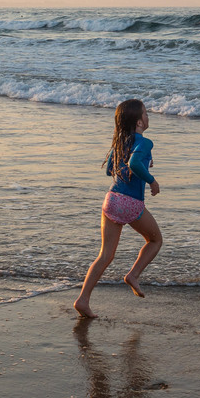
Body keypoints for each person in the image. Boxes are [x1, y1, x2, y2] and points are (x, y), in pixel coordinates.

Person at [74, 99, 162, 318]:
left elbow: (110, 170)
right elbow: (133, 165)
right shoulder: (145, 142)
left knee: (105, 254)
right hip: (129, 202)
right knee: (155, 240)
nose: (148, 117)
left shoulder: (120, 143)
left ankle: (83, 300)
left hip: (111, 199)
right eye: (146, 114)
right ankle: (133, 275)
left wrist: (139, 163)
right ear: (140, 122)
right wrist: (151, 180)